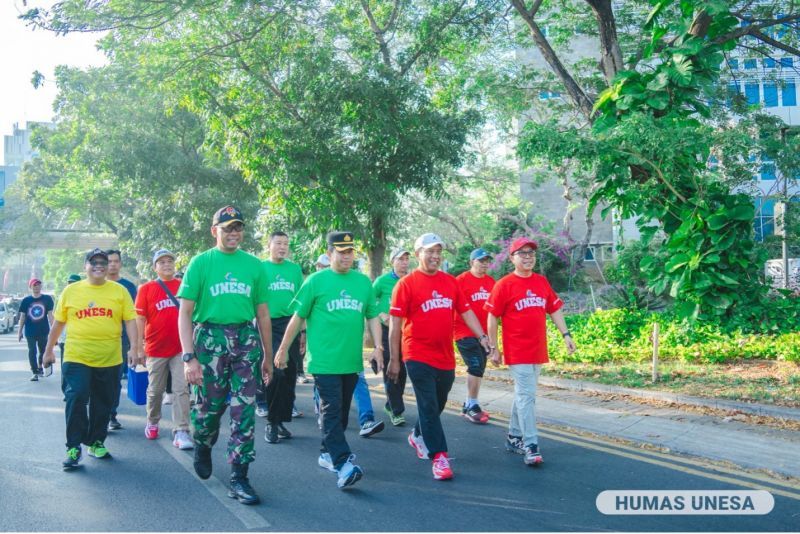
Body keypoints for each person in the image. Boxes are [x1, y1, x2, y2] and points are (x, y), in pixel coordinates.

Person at [178, 205, 272, 505]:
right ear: (214, 230)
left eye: (238, 228)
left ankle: (239, 477)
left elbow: (263, 313)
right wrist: (189, 357)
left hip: (245, 340)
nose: (234, 233)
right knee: (209, 410)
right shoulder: (200, 263)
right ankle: (203, 444)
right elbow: (185, 313)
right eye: (227, 228)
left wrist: (269, 356)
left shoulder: (255, 266)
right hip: (209, 341)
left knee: (243, 410)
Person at [273, 231, 382, 489]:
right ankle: (343, 463)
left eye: (350, 252)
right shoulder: (315, 281)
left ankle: (326, 453)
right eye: (341, 252)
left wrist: (378, 347)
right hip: (323, 361)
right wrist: (283, 349)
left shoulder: (363, 283)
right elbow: (298, 317)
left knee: (342, 413)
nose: (346, 257)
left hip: (351, 361)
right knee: (332, 410)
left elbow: (373, 316)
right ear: (330, 253)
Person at [388, 233, 493, 481]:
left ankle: (417, 434)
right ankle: (439, 457)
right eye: (429, 251)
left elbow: (466, 312)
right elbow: (394, 325)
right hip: (416, 352)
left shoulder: (450, 282)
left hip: (444, 354)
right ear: (418, 254)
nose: (435, 256)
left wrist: (482, 337)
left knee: (439, 402)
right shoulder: (405, 284)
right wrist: (394, 358)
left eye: (438, 251)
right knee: (427, 403)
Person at [42, 249, 139, 470]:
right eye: (94, 262)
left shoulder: (119, 291)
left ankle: (96, 442)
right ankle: (74, 446)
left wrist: (134, 348)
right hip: (77, 356)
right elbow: (58, 323)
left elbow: (130, 321)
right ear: (85, 265)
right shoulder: (71, 291)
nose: (99, 266)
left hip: (110, 357)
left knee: (103, 403)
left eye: (103, 262)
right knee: (76, 397)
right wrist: (48, 350)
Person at [485, 237, 576, 466]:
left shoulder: (541, 282)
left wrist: (566, 335)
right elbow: (492, 317)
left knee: (524, 395)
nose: (528, 257)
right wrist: (494, 348)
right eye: (522, 253)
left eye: (531, 253)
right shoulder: (504, 285)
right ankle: (531, 444)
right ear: (512, 257)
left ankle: (514, 437)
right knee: (527, 397)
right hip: (517, 350)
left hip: (538, 349)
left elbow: (554, 309)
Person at [135, 249, 192, 449]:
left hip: (180, 348)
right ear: (155, 267)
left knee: (181, 390)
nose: (167, 264)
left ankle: (182, 430)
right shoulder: (146, 289)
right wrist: (139, 347)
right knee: (155, 391)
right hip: (155, 348)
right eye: (162, 262)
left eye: (170, 261)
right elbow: (140, 318)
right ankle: (152, 421)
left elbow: (193, 313)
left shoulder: (183, 285)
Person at [261, 231, 304, 443]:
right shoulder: (261, 268)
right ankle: (271, 422)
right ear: (269, 245)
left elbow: (300, 303)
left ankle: (280, 421)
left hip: (291, 324)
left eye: (286, 244)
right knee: (275, 373)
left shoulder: (294, 269)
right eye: (278, 243)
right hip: (269, 325)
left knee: (289, 376)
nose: (282, 247)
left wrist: (302, 332)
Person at [454, 247, 496, 424]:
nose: (484, 264)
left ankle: (469, 404)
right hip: (463, 331)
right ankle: (472, 405)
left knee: (480, 368)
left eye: (487, 261)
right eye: (481, 261)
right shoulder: (460, 281)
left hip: (483, 334)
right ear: (472, 262)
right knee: (476, 364)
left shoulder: (491, 282)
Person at [372, 247, 411, 426]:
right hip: (387, 331)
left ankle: (391, 403)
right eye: (400, 259)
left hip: (407, 332)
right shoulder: (382, 281)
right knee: (391, 368)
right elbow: (369, 301)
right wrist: (381, 314)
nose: (404, 262)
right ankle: (397, 410)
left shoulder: (412, 280)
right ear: (392, 262)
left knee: (402, 371)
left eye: (406, 259)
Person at [106, 249, 138, 431]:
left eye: (115, 261)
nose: (112, 264)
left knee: (115, 378)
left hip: (121, 340)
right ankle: (99, 414)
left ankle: (111, 415)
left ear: (120, 264)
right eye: (109, 261)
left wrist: (135, 346)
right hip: (99, 340)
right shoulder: (97, 285)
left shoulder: (129, 287)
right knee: (98, 379)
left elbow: (134, 317)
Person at [18, 278, 54, 381]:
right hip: (30, 331)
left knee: (43, 350)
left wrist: (54, 330)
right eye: (34, 285)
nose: (36, 286)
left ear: (41, 286)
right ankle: (34, 372)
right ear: (30, 287)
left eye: (38, 285)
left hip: (43, 330)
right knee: (32, 351)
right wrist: (20, 331)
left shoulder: (47, 299)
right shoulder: (26, 300)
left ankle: (39, 367)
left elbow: (51, 316)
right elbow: (23, 317)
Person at [58, 274, 81, 396]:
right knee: (66, 368)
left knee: (80, 368)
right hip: (65, 340)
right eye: (69, 283)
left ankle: (79, 392)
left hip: (81, 340)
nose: (71, 285)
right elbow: (58, 320)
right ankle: (67, 391)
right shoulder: (63, 298)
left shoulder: (85, 298)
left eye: (74, 283)